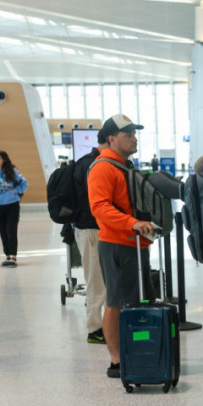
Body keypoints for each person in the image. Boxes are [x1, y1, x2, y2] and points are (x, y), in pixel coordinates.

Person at [88, 114, 155, 378]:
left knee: (135, 301)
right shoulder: (103, 167)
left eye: (134, 133)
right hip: (117, 244)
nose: (134, 138)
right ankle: (116, 360)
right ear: (112, 139)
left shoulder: (123, 166)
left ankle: (134, 351)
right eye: (128, 134)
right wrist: (132, 223)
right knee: (116, 302)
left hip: (134, 243)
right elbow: (100, 208)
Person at [72, 133, 108, 344]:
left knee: (99, 279)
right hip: (91, 230)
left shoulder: (89, 162)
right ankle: (94, 329)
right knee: (96, 281)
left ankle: (102, 325)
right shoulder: (92, 164)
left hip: (90, 229)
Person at [0, 151, 28, 267]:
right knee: (3, 232)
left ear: (4, 159)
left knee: (11, 230)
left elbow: (25, 183)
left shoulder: (13, 171)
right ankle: (7, 255)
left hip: (12, 206)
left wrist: (17, 190)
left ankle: (13, 257)